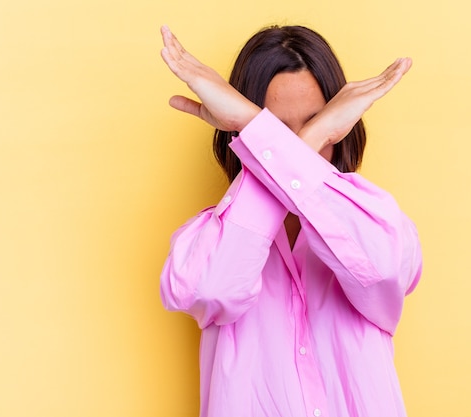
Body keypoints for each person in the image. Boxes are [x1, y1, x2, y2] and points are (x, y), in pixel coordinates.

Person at [159, 24, 422, 417]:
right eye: (273, 129)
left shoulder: (376, 220)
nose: (298, 147)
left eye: (316, 126)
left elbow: (382, 274)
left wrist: (257, 130)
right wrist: (302, 140)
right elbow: (215, 291)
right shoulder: (207, 238)